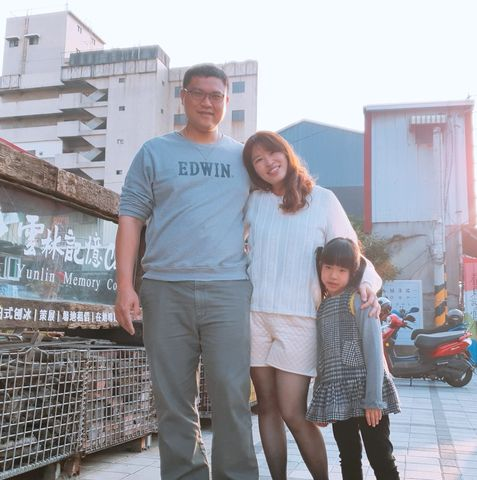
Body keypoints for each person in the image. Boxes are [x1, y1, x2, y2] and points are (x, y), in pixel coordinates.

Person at [115, 64, 258, 480]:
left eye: (216, 95)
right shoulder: (154, 152)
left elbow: (286, 204)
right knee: (173, 399)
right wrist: (125, 286)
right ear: (183, 97)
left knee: (232, 395)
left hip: (229, 289)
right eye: (198, 93)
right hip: (164, 288)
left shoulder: (243, 158)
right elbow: (130, 218)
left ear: (226, 101)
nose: (207, 102)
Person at [242, 131, 382, 480]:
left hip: (300, 318)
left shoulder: (322, 200)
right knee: (266, 408)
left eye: (272, 153)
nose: (267, 163)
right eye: (257, 160)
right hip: (255, 315)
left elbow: (351, 252)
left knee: (292, 411)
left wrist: (367, 284)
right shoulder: (254, 201)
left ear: (286, 153)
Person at [306, 237, 401, 480]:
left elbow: (374, 351)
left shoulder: (359, 300)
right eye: (328, 267)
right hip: (339, 397)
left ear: (353, 272)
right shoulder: (322, 307)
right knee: (348, 457)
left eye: (342, 270)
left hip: (366, 393)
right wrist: (322, 405)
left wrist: (373, 400)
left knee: (380, 456)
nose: (333, 275)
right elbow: (323, 358)